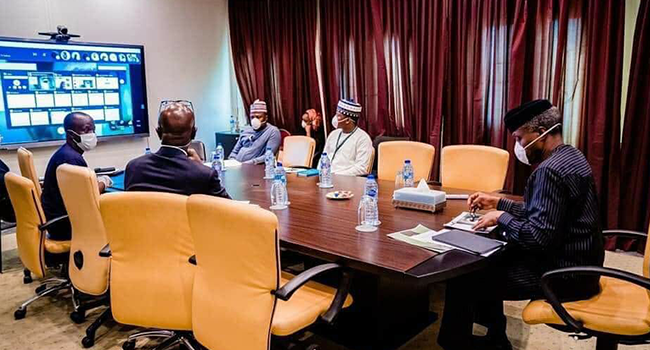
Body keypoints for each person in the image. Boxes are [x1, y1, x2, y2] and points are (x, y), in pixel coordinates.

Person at [437, 99, 604, 350]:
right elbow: (545, 213)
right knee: (489, 261)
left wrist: (500, 218)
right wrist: (500, 203)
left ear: (539, 133)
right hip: (581, 265)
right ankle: (496, 339)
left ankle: (453, 343)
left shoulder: (549, 171)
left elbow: (537, 237)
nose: (519, 146)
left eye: (519, 138)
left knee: (465, 275)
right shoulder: (571, 155)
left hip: (562, 275)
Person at [125, 100, 230, 198]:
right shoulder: (204, 175)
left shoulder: (133, 168)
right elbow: (231, 210)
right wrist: (199, 167)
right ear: (194, 133)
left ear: (158, 133)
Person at [42, 112, 112, 241]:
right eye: (86, 130)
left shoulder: (66, 153)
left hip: (58, 219)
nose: (91, 134)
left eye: (93, 129)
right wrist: (104, 182)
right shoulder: (71, 159)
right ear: (70, 134)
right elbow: (89, 196)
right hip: (65, 225)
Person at [321, 99, 373, 176]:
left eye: (338, 116)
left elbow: (361, 168)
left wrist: (336, 175)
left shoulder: (363, 138)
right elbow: (324, 158)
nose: (335, 118)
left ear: (347, 120)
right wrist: (319, 172)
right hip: (327, 178)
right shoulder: (333, 134)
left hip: (347, 180)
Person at [228, 99, 281, 164]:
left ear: (266, 117)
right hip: (237, 166)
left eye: (258, 117)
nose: (254, 120)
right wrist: (232, 161)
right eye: (252, 117)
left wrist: (246, 164)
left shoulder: (272, 131)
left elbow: (268, 156)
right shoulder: (246, 131)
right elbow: (234, 152)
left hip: (254, 168)